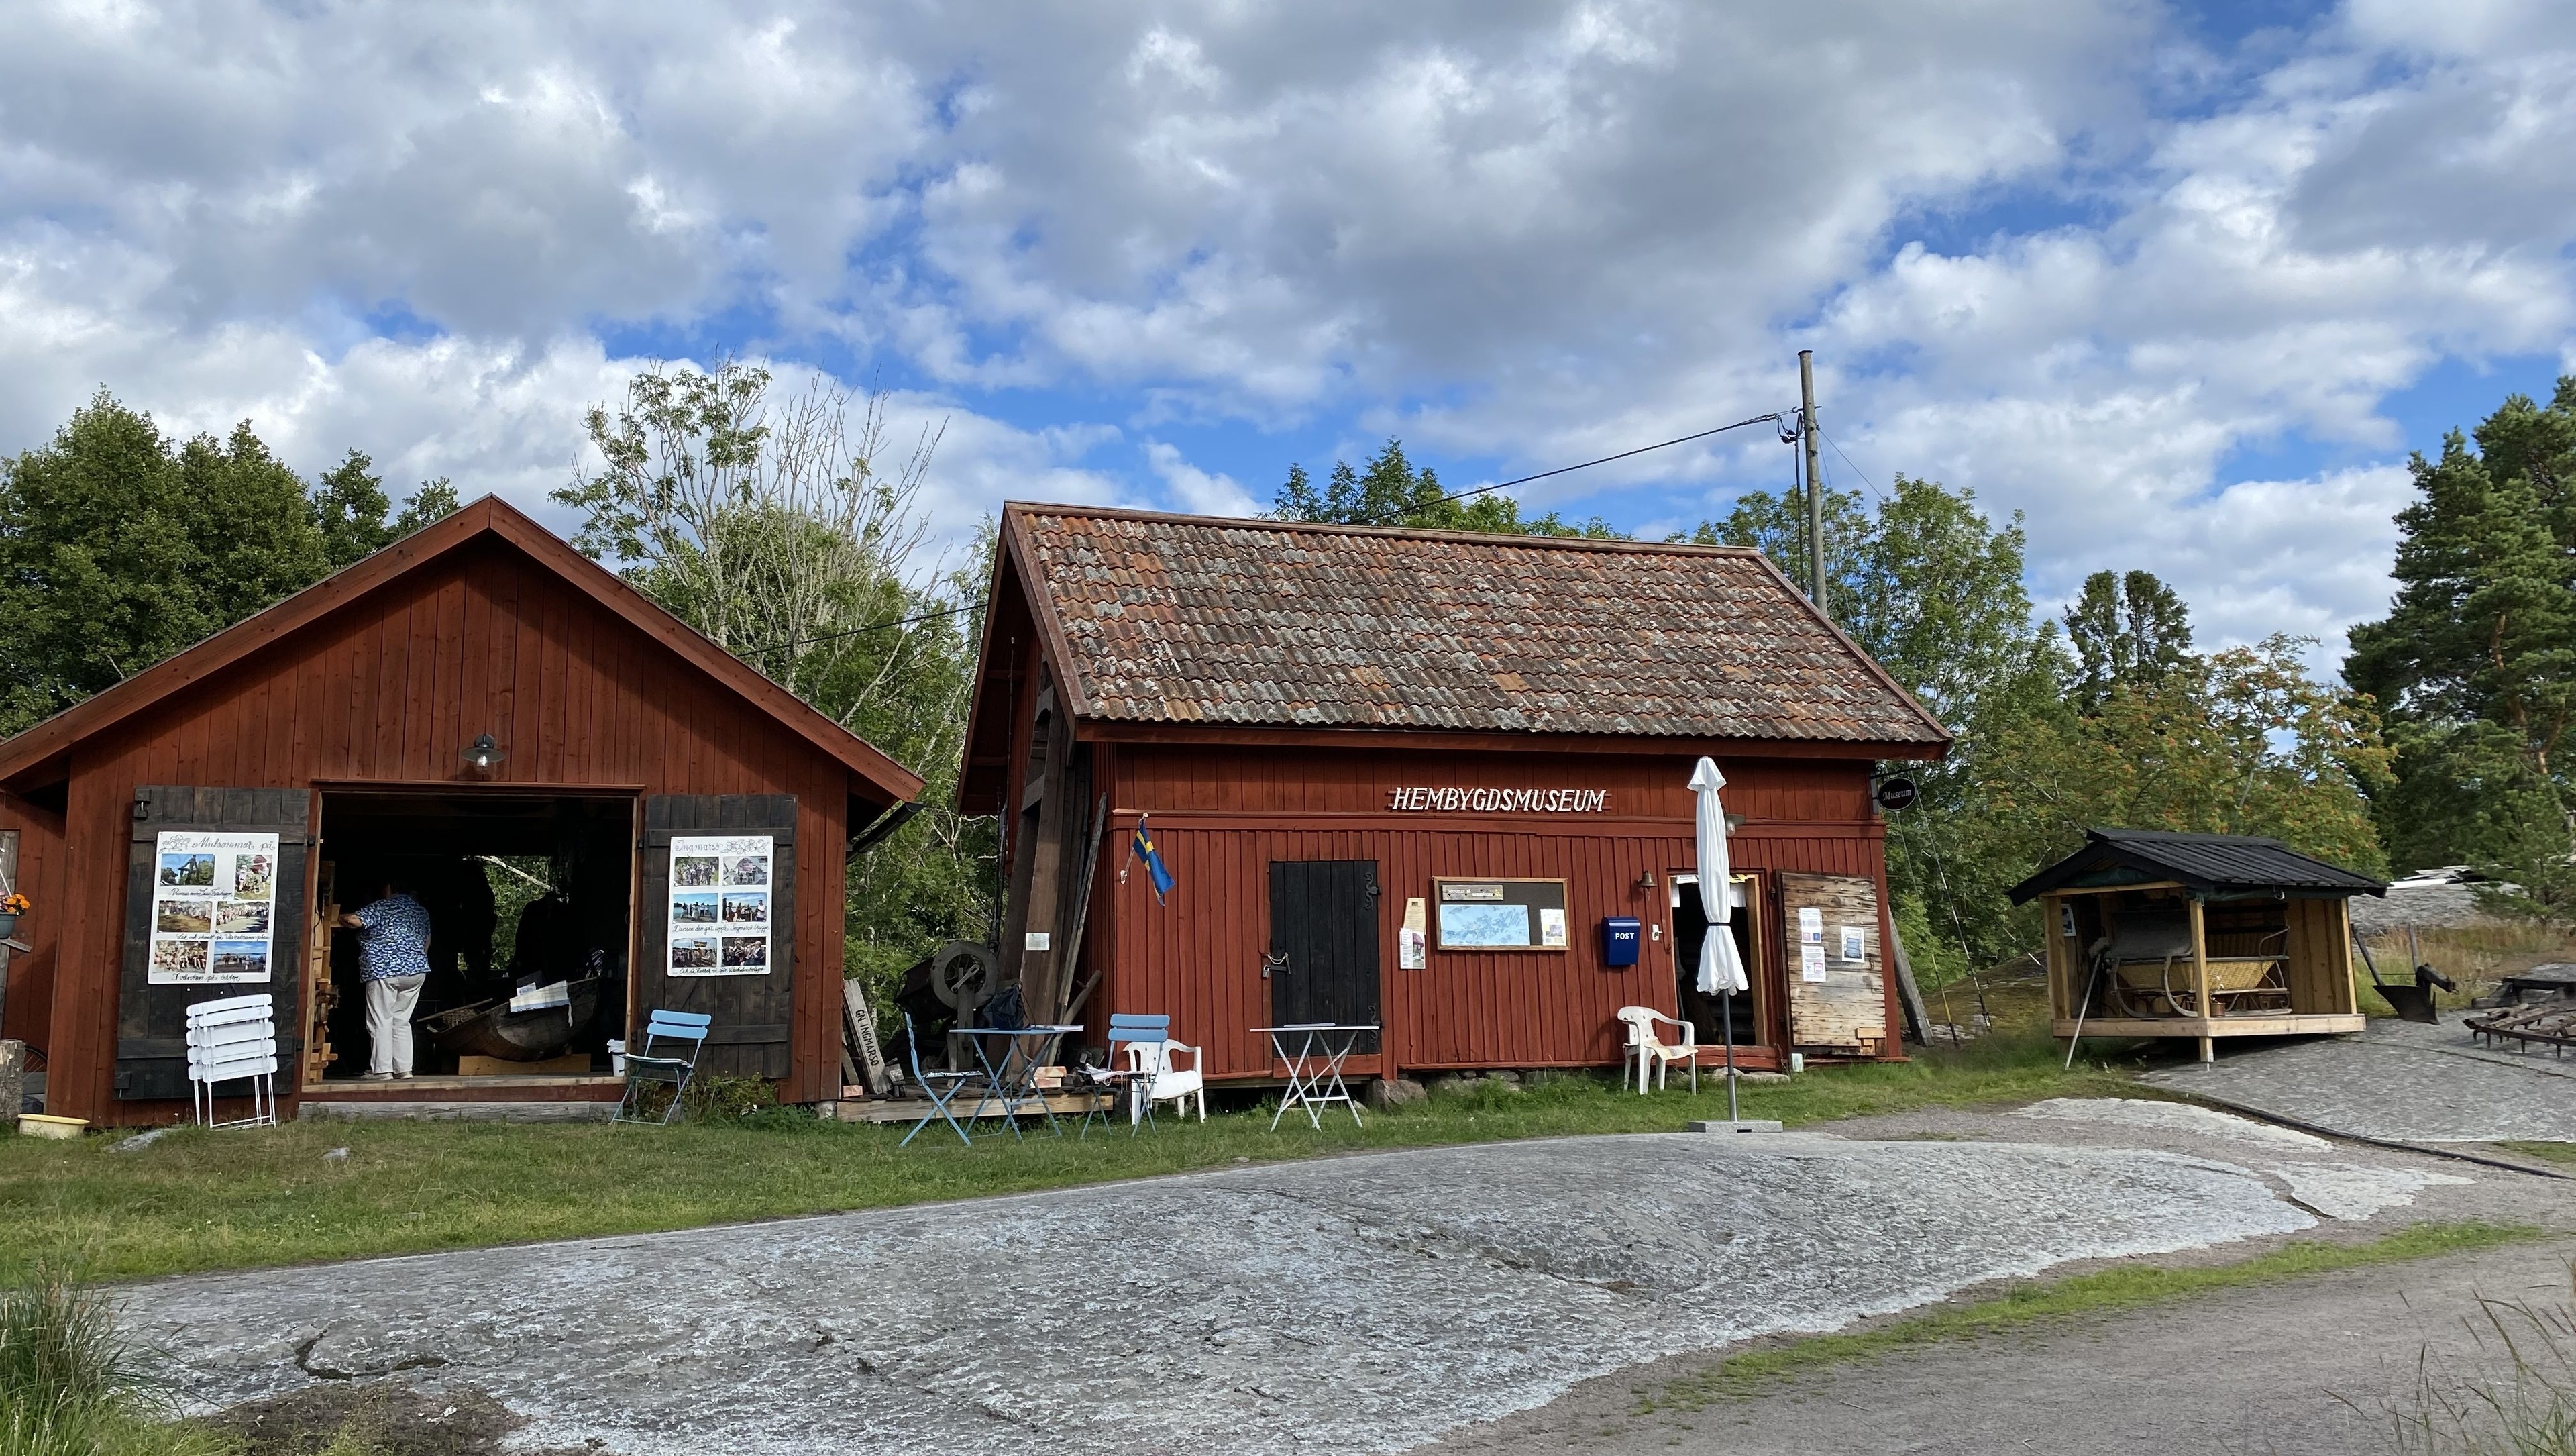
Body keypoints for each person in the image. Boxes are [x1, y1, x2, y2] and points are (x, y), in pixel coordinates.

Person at [338, 880, 433, 1080]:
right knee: (401, 1020)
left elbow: (355, 921)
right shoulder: (421, 912)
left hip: (384, 970)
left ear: (389, 888)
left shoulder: (383, 906)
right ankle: (404, 1069)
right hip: (416, 971)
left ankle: (382, 1070)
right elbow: (427, 942)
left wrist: (340, 917)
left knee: (381, 1019)